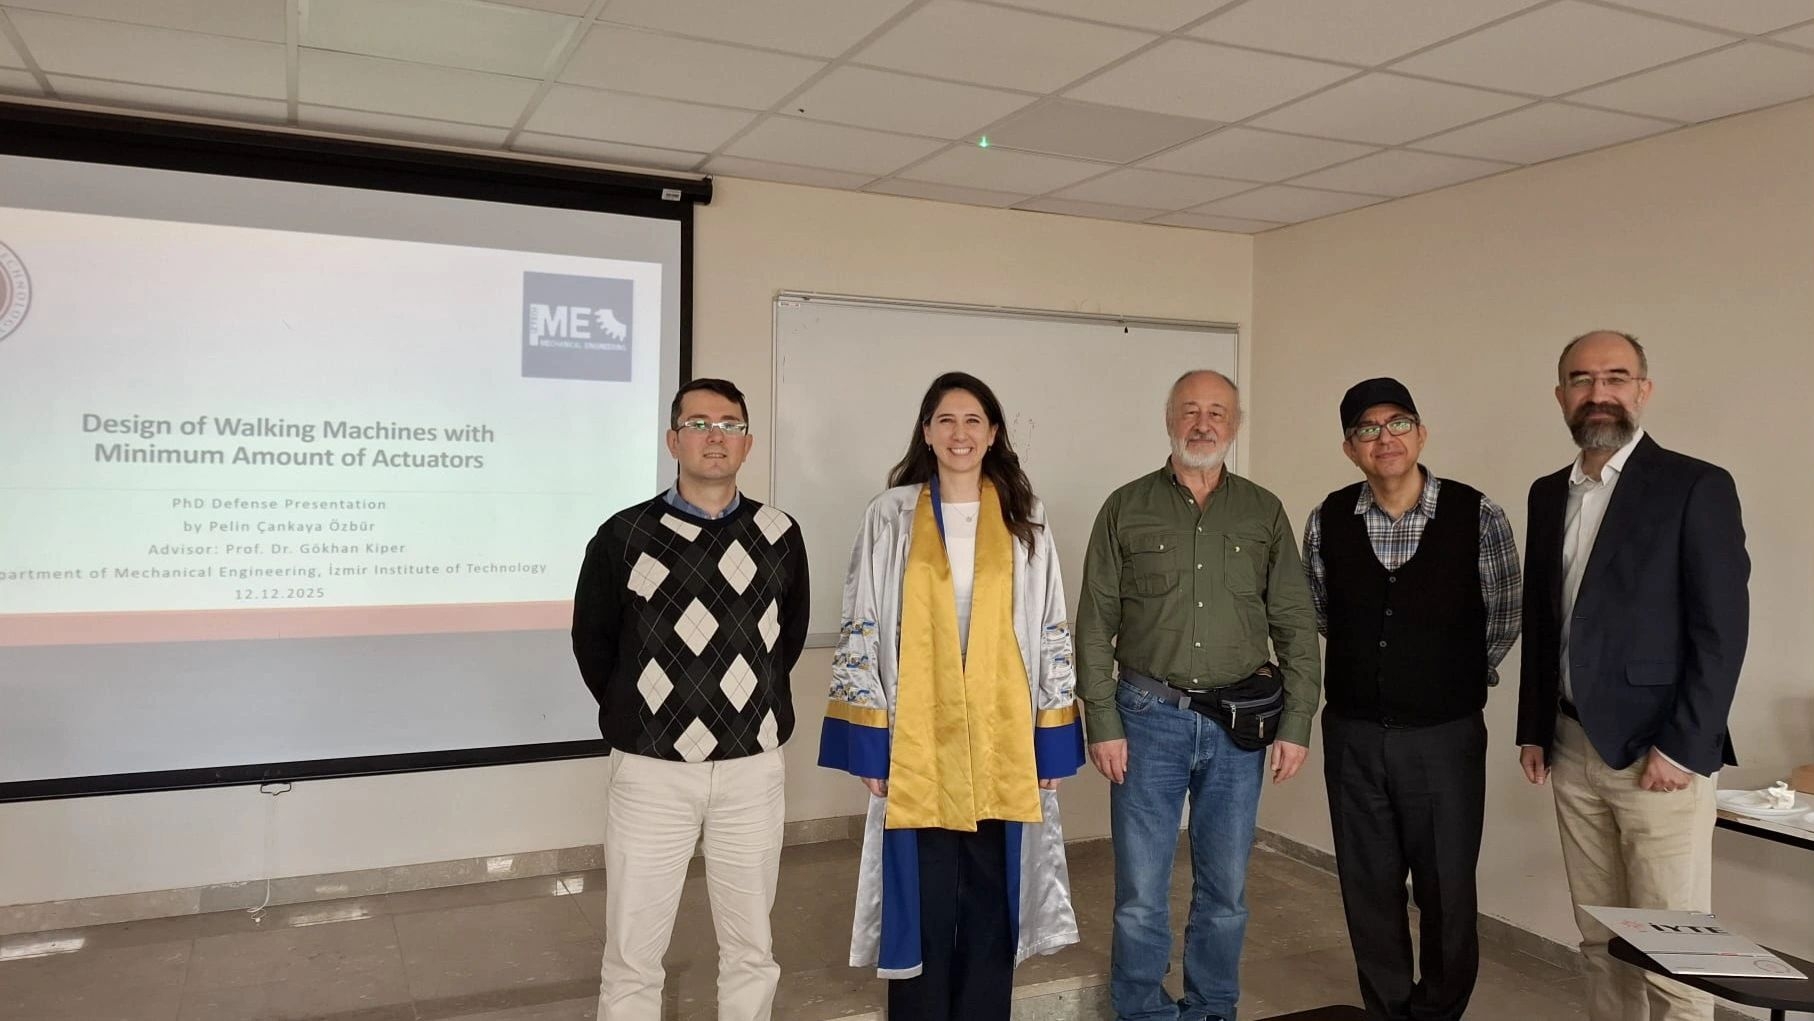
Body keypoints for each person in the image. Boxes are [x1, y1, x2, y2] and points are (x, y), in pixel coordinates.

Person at [818, 371, 1085, 1021]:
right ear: (926, 432)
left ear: (993, 434)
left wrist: (1052, 737)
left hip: (1002, 733)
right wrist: (869, 744)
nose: (959, 433)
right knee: (925, 894)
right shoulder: (890, 515)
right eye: (946, 420)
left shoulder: (1025, 516)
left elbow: (1052, 624)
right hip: (919, 735)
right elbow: (862, 622)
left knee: (992, 896)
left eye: (972, 420)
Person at [1076, 369, 1322, 1021]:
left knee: (1226, 890)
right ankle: (1142, 1010)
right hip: (1145, 718)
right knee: (1140, 892)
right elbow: (1095, 623)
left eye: (1217, 412)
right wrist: (1102, 720)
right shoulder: (1125, 507)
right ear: (1169, 419)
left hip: (1238, 727)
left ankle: (1213, 1007)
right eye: (1190, 410)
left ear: (1235, 424)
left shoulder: (1262, 511)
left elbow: (1294, 622)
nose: (1203, 423)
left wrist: (1297, 721)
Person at [1516, 331, 1749, 1021]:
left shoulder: (1695, 486)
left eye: (1615, 377)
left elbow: (1721, 631)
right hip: (1571, 746)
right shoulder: (1546, 493)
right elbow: (1544, 617)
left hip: (1660, 755)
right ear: (1560, 395)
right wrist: (1534, 726)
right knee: (1601, 940)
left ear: (1643, 390)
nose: (1599, 393)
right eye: (1581, 380)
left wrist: (1685, 746)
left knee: (1678, 951)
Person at [572, 378, 810, 1021]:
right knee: (632, 953)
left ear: (747, 443)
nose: (715, 436)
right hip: (651, 772)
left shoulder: (780, 534)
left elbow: (784, 641)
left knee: (751, 947)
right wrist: (648, 715)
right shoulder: (624, 534)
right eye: (698, 423)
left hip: (751, 769)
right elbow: (594, 643)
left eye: (730, 425)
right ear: (673, 440)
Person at [1301, 378, 1521, 1021]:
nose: (1385, 438)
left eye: (1398, 423)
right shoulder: (1327, 519)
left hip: (1444, 737)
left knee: (1446, 885)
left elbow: (1505, 614)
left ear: (1421, 434)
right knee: (1367, 885)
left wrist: (1447, 676)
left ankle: (1440, 1011)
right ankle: (1388, 1009)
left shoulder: (1477, 515)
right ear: (1350, 449)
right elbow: (1321, 611)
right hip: (1354, 734)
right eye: (1367, 429)